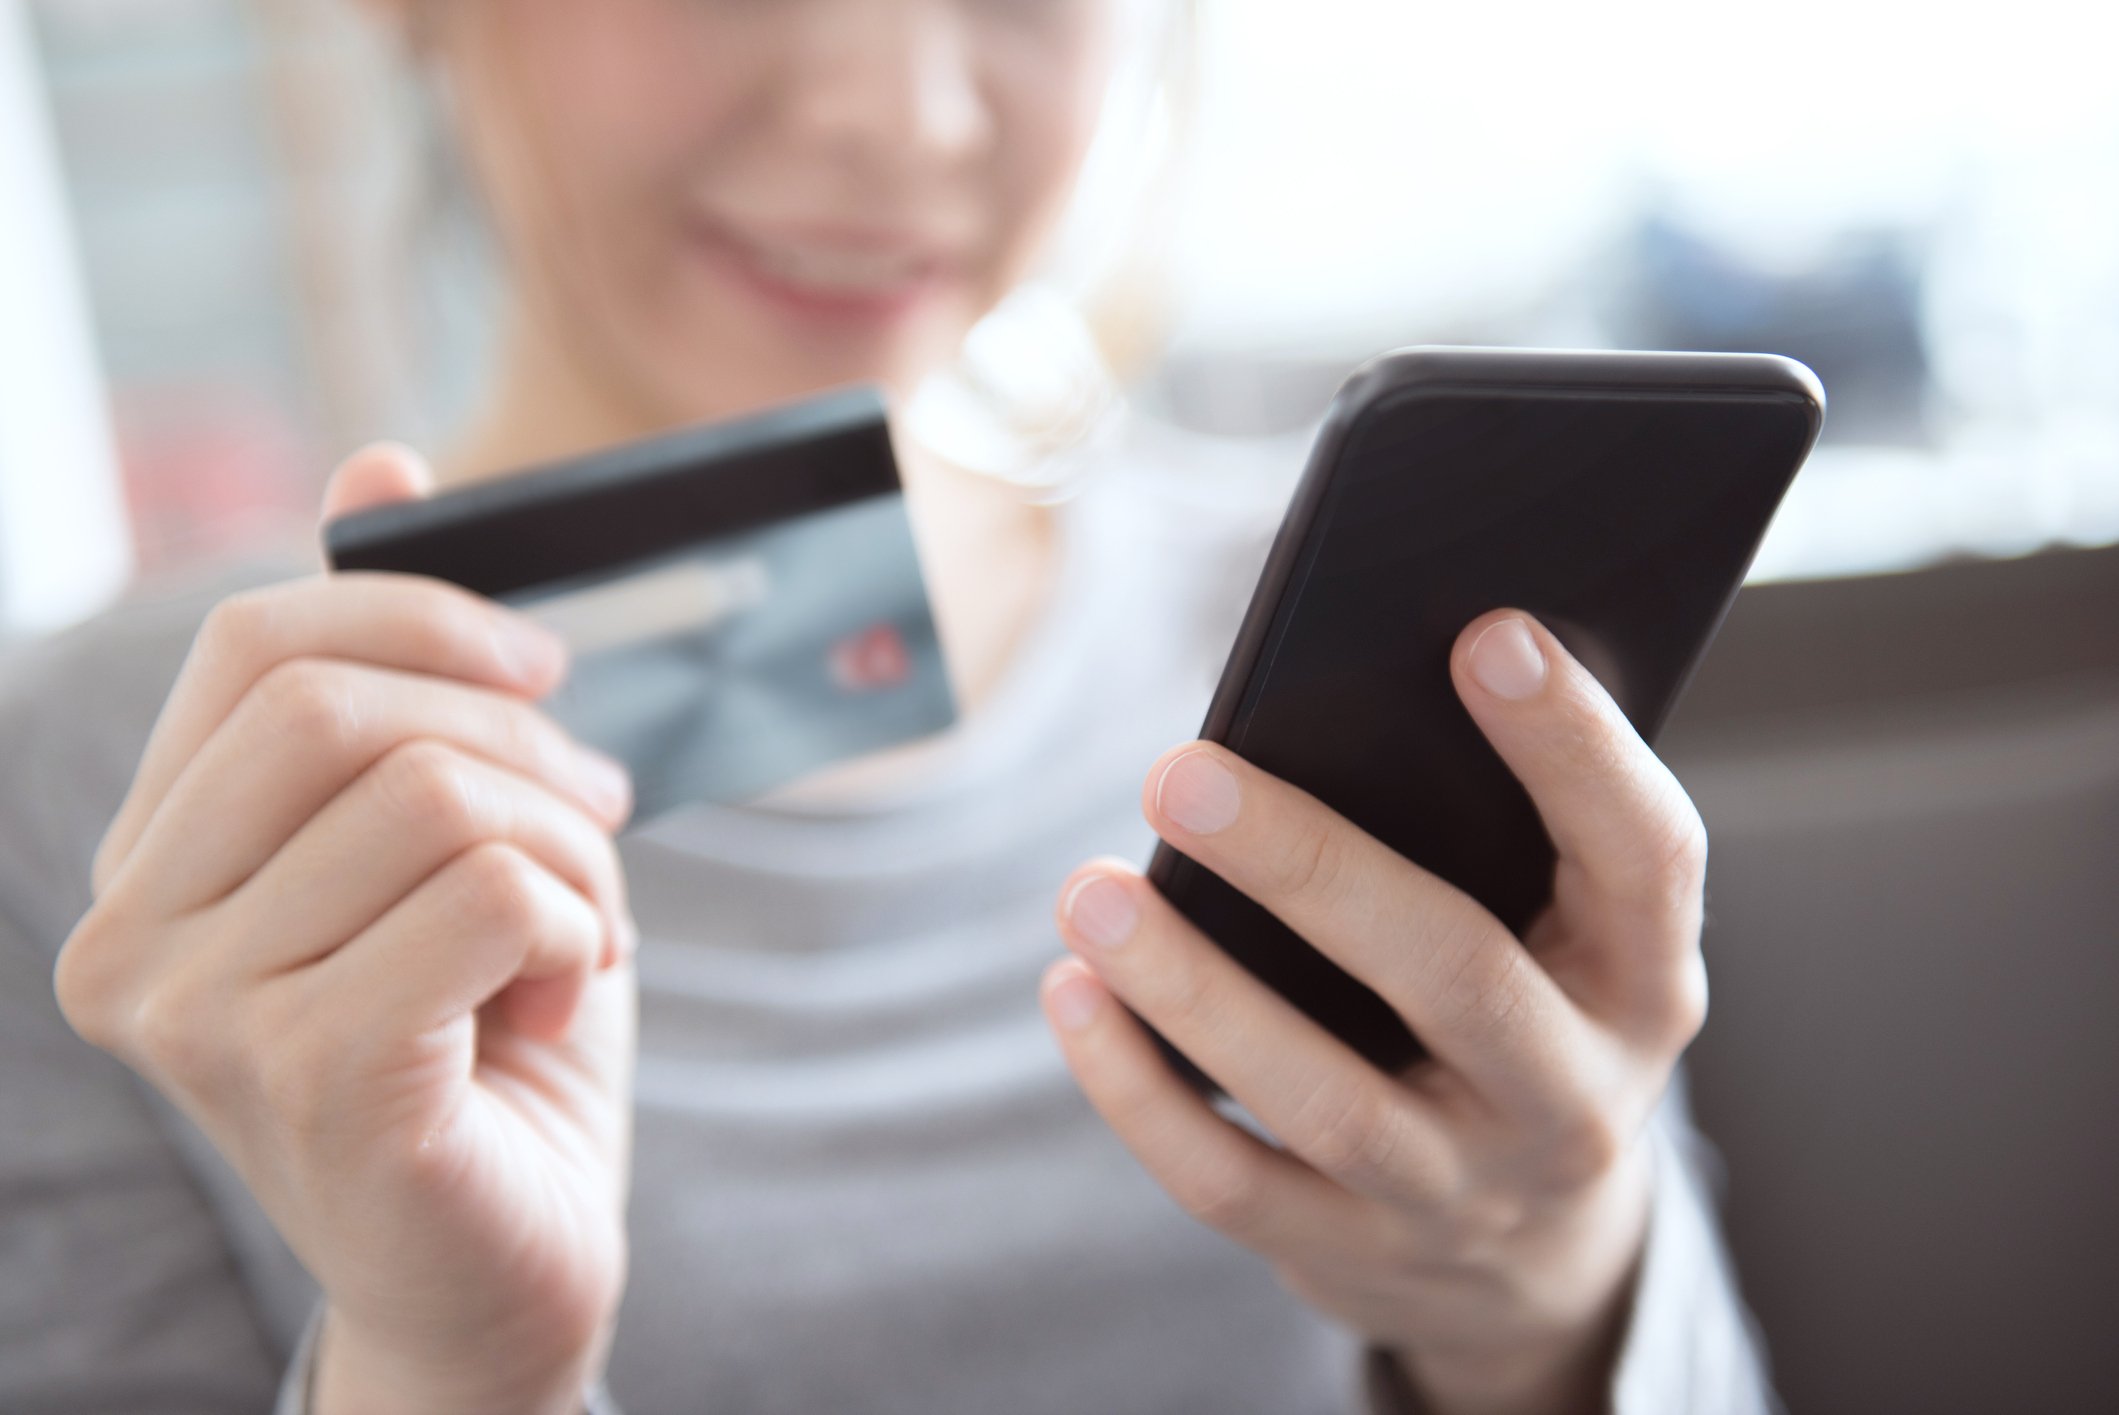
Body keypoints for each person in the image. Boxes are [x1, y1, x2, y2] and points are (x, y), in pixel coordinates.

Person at [0, 1, 1775, 1411]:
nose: (902, 113)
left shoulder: (1370, 652)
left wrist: (1556, 1302)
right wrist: (457, 1380)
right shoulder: (92, 799)